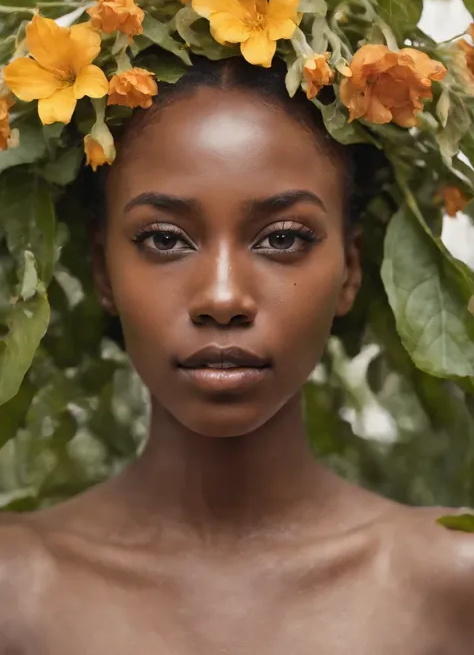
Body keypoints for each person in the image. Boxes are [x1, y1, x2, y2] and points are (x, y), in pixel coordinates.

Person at [1, 53, 474, 654]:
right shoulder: (13, 593)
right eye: (165, 239)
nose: (222, 297)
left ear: (350, 270)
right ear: (102, 269)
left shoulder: (455, 586)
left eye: (282, 238)